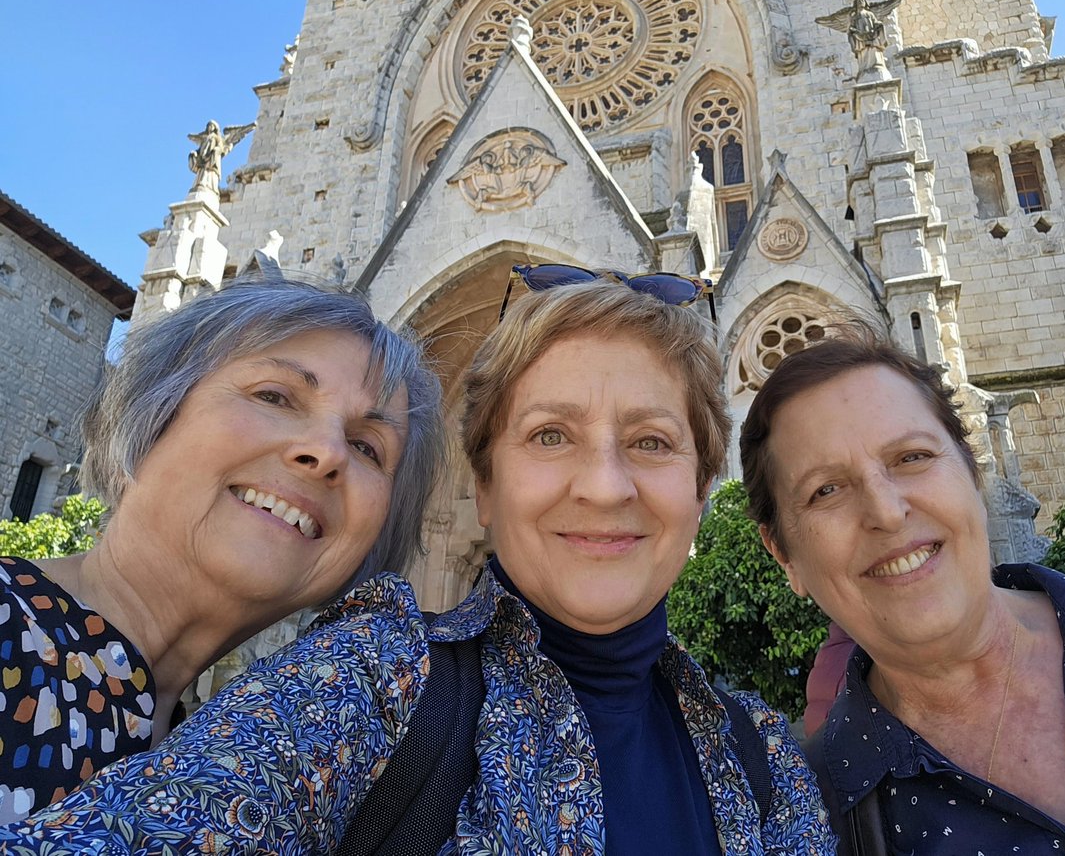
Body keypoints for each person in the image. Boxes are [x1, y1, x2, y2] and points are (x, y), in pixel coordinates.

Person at [1, 270, 836, 855]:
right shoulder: (377, 673)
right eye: (550, 434)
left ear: (702, 490)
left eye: (652, 442)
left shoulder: (763, 757)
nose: (605, 484)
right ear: (481, 485)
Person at [739, 321, 1065, 854]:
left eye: (912, 457)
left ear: (972, 471)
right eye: (825, 490)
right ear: (784, 555)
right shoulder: (812, 824)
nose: (887, 513)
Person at [0, 276, 441, 825]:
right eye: (274, 396)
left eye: (366, 447)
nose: (327, 452)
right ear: (152, 412)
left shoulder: (229, 760)